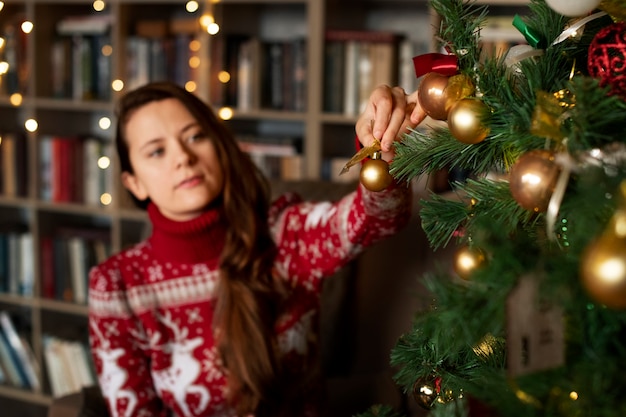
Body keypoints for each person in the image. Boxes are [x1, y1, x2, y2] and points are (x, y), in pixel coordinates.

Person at [88, 81, 414, 417]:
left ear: (219, 144)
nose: (183, 158)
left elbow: (378, 217)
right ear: (134, 183)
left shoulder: (285, 234)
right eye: (157, 151)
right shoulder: (118, 285)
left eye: (195, 136)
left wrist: (380, 144)